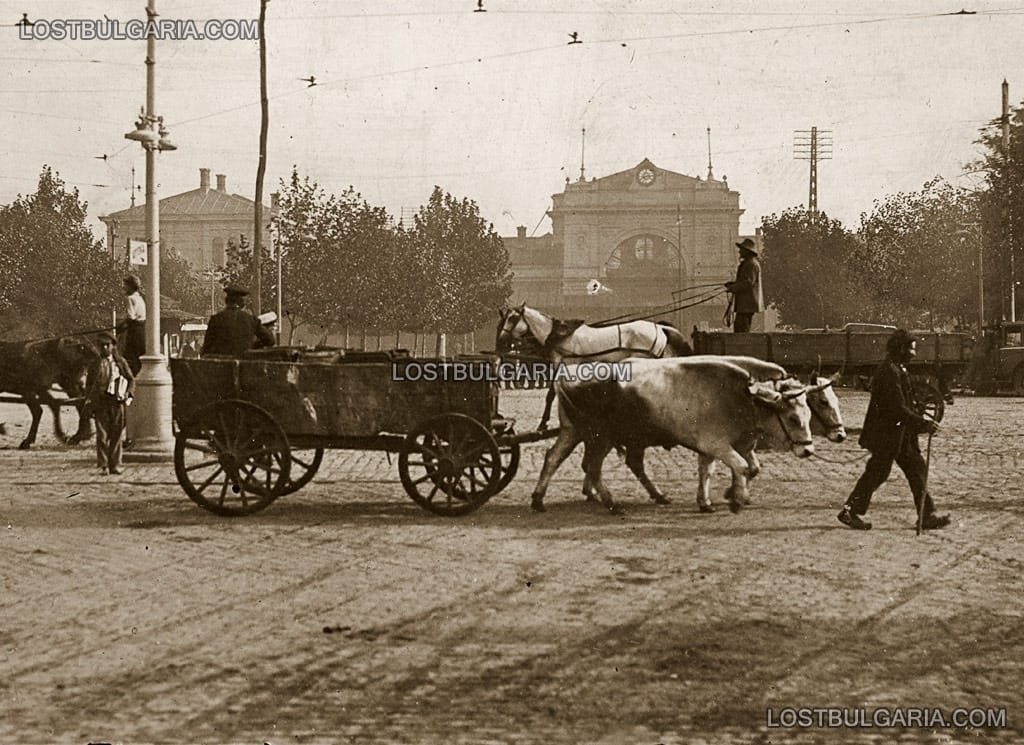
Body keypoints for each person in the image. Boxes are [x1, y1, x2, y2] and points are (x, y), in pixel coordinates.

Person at [838, 329, 951, 531]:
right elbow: (897, 409)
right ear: (901, 348)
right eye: (911, 349)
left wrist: (918, 421)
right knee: (877, 473)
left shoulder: (897, 368)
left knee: (917, 470)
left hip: (901, 435)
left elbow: (906, 404)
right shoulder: (889, 371)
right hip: (887, 435)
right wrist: (923, 423)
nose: (913, 354)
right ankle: (849, 511)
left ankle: (926, 515)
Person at [85, 333, 135, 475]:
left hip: (117, 402)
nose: (105, 348)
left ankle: (115, 465)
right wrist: (88, 403)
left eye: (108, 345)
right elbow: (89, 386)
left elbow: (131, 379)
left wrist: (128, 394)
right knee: (101, 435)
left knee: (116, 435)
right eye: (102, 345)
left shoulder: (120, 363)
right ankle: (103, 465)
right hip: (101, 403)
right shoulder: (95, 364)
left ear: (113, 346)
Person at [201, 286, 275, 356]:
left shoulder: (215, 319)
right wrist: (253, 345)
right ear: (242, 302)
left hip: (221, 366)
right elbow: (270, 341)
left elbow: (207, 346)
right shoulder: (251, 320)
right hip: (244, 365)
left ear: (227, 301)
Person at [724, 238, 763, 333]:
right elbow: (746, 281)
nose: (739, 251)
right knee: (740, 327)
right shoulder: (749, 263)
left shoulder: (751, 264)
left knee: (741, 329)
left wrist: (733, 288)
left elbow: (749, 282)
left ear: (747, 251)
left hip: (747, 304)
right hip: (746, 304)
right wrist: (733, 285)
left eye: (742, 249)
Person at [116, 274, 146, 375]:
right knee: (139, 359)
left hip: (134, 331)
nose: (123, 287)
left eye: (125, 285)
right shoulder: (140, 298)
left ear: (131, 286)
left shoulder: (129, 298)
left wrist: (120, 327)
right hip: (142, 331)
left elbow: (131, 317)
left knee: (129, 358)